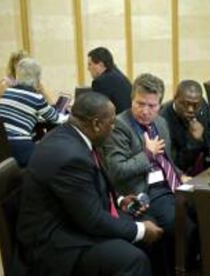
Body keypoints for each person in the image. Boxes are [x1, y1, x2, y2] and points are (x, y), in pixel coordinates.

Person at [16, 92, 164, 276]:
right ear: (96, 124)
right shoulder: (70, 156)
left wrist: (118, 200)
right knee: (133, 258)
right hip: (56, 244)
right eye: (111, 123)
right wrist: (140, 231)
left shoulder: (72, 136)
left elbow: (85, 188)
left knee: (149, 223)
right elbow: (93, 220)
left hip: (73, 220)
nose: (113, 127)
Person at [103, 73, 188, 276]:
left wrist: (181, 175)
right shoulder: (118, 127)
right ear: (131, 100)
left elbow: (166, 159)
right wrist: (147, 154)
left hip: (167, 184)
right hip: (141, 192)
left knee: (204, 210)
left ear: (160, 105)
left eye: (152, 106)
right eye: (140, 104)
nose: (145, 111)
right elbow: (116, 171)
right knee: (177, 223)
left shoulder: (161, 123)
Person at [0, 58, 67, 167]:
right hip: (19, 148)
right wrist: (68, 115)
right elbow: (55, 119)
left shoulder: (7, 92)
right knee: (52, 157)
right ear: (37, 78)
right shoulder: (36, 98)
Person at [160, 80, 210, 176]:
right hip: (182, 172)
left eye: (195, 105)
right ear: (175, 98)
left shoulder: (202, 105)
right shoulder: (163, 121)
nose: (191, 109)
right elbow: (176, 164)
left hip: (204, 163)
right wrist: (193, 140)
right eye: (185, 104)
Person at [88, 47, 132, 114]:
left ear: (100, 65)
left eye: (90, 64)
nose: (88, 68)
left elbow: (97, 111)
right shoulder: (116, 73)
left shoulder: (101, 82)